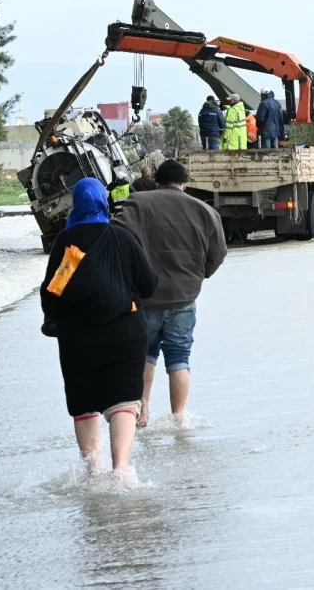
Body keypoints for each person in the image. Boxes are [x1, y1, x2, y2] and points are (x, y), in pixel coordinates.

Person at [40, 178, 159, 478]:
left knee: (84, 404)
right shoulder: (121, 237)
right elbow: (149, 285)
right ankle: (120, 469)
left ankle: (93, 472)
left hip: (77, 337)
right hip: (126, 332)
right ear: (104, 202)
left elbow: (52, 294)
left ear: (76, 204)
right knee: (124, 401)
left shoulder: (66, 243)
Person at [113, 159, 227, 428]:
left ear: (157, 183)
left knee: (146, 354)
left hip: (146, 297)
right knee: (179, 357)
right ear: (184, 184)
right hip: (184, 298)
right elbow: (219, 253)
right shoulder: (205, 210)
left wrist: (129, 275)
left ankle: (142, 411)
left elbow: (115, 236)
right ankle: (179, 417)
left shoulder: (138, 202)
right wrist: (200, 275)